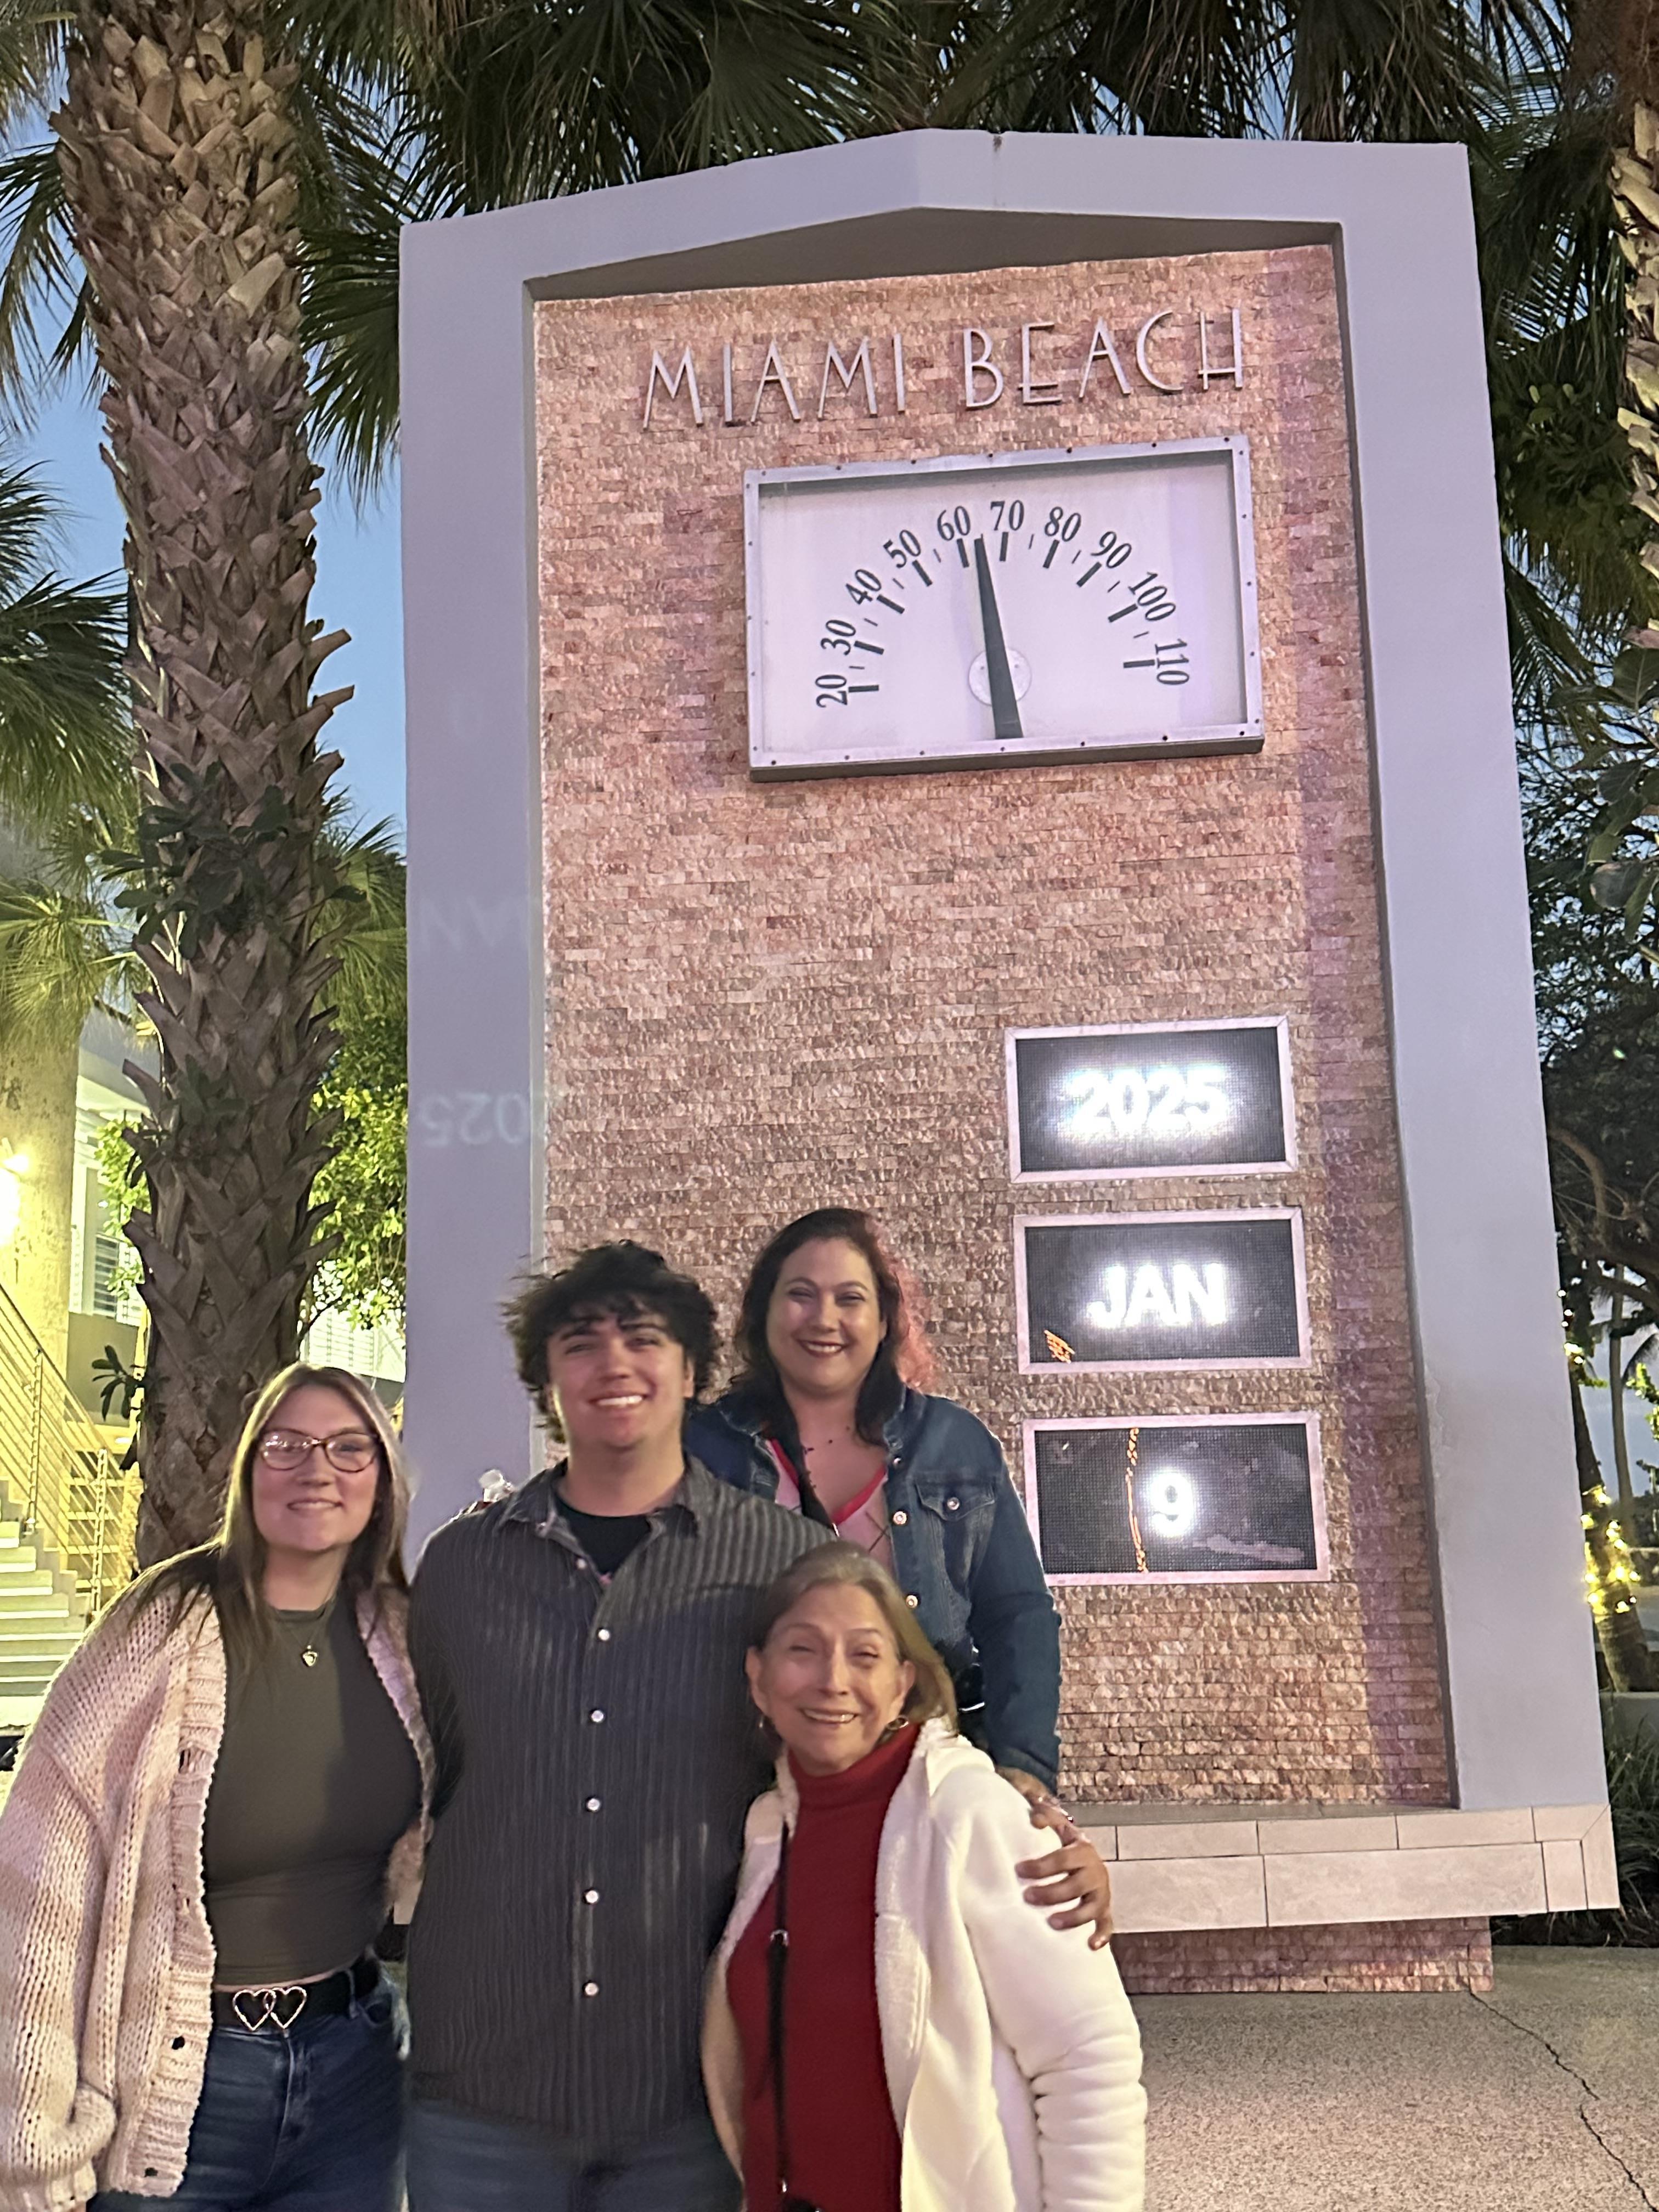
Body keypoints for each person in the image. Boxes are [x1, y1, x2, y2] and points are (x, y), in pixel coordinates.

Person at [403, 1240, 1114, 2211]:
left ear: (693, 1374)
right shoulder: (459, 1569)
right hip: (480, 2094)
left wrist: (1028, 1818)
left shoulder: (781, 1564)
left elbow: (874, 1750)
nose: (615, 1364)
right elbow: (430, 1769)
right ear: (544, 1379)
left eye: (644, 1339)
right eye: (580, 1343)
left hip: (687, 2103)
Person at [0, 1362, 430, 2212]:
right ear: (249, 1471)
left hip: (356, 2071)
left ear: (381, 1481)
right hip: (177, 2086)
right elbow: (40, 1885)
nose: (318, 1470)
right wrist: (33, 2143)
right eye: (288, 1446)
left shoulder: (403, 1635)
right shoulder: (160, 1628)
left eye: (351, 1449)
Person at [704, 1543, 1146, 2212]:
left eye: (865, 1654)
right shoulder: (767, 1828)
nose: (833, 1680)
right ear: (758, 1677)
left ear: (902, 1683)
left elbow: (1087, 2058)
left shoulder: (970, 1814)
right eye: (803, 1650)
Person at [686, 1207, 1068, 1807]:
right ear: (762, 1311)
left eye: (850, 1299)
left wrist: (1025, 1767)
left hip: (931, 1781)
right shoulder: (704, 1448)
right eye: (801, 1296)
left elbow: (1017, 1615)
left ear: (884, 1319)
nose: (824, 1320)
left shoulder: (954, 1443)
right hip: (749, 1787)